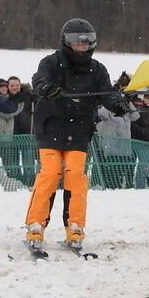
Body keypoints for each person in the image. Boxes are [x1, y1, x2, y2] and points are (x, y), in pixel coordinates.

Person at [24, 18, 129, 252]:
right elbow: (39, 81)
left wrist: (117, 104)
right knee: (50, 173)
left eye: (87, 42)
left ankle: (75, 226)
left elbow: (106, 93)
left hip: (79, 130)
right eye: (78, 42)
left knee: (75, 175)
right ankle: (35, 223)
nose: (83, 46)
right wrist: (48, 89)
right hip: (50, 126)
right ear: (66, 42)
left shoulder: (97, 69)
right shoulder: (50, 62)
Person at [7, 76, 37, 184]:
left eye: (17, 85)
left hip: (27, 133)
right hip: (11, 134)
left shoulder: (28, 97)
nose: (14, 87)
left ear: (20, 85)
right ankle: (15, 182)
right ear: (8, 86)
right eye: (12, 85)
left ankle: (30, 181)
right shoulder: (6, 98)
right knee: (13, 162)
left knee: (28, 161)